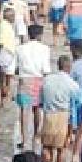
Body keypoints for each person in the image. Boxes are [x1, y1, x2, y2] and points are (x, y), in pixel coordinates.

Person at [39, 55, 79, 162]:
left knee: (46, 147)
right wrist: (73, 127)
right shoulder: (72, 84)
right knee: (62, 148)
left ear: (58, 65)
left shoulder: (46, 80)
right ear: (69, 68)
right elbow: (75, 106)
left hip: (49, 114)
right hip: (63, 116)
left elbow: (41, 100)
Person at [13, 23, 51, 151]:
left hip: (24, 79)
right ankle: (36, 136)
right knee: (37, 109)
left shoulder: (20, 48)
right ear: (40, 35)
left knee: (24, 110)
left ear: (29, 35)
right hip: (38, 80)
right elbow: (46, 69)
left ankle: (24, 139)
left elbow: (15, 68)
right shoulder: (45, 49)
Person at [0, 6, 18, 108]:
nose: (14, 18)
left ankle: (0, 99)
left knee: (0, 77)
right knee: (6, 78)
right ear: (10, 17)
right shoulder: (4, 26)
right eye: (13, 16)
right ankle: (2, 99)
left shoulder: (2, 25)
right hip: (5, 54)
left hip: (3, 53)